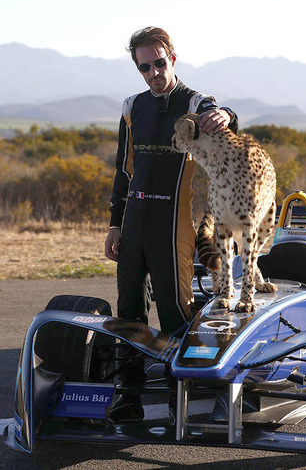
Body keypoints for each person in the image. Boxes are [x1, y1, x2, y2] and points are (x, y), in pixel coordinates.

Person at [103, 26, 238, 422]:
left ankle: (182, 389)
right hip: (134, 220)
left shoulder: (194, 102)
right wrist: (114, 225)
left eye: (159, 63)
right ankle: (128, 394)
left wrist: (224, 114)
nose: (153, 73)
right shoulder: (132, 106)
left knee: (175, 306)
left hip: (175, 221)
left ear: (172, 59)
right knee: (128, 308)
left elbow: (228, 117)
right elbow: (123, 172)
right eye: (144, 68)